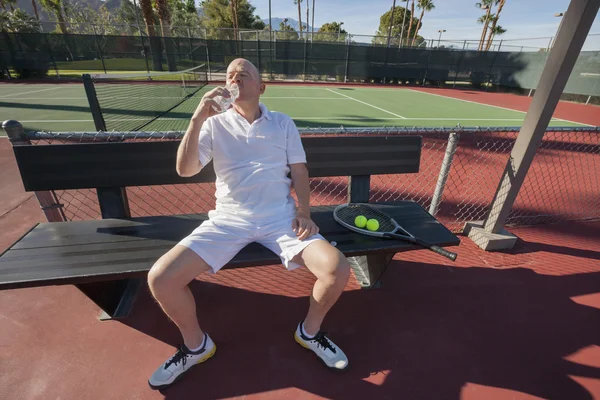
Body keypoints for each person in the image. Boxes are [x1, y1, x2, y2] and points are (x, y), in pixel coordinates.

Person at [147, 58, 351, 390]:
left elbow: (299, 170)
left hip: (280, 218)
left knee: (337, 268)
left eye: (244, 74)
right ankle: (197, 346)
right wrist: (198, 117)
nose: (235, 77)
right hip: (228, 221)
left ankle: (309, 333)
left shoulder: (283, 123)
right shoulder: (213, 125)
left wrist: (305, 212)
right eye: (230, 75)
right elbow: (184, 169)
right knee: (161, 278)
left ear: (261, 87)